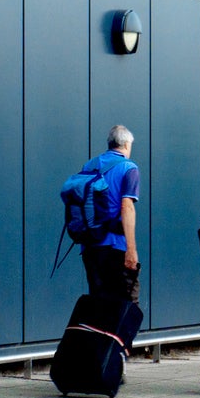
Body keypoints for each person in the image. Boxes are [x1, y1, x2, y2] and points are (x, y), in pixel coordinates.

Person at [76, 125, 141, 303]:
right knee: (126, 304)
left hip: (90, 247)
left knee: (99, 306)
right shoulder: (129, 168)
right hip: (115, 246)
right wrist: (131, 249)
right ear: (127, 144)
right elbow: (126, 207)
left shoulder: (89, 165)